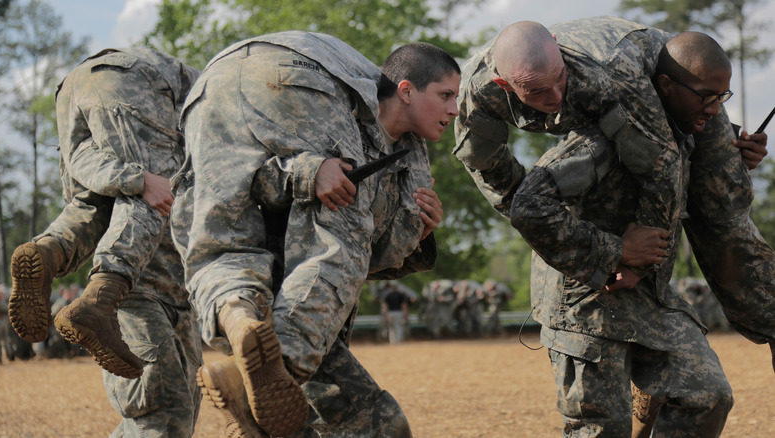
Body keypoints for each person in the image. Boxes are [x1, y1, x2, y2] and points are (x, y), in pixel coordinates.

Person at [171, 34, 455, 437]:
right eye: (446, 95)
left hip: (207, 86)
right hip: (296, 68)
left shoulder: (404, 153)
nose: (455, 109)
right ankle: (275, 367)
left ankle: (237, 317)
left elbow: (255, 185)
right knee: (340, 228)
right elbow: (349, 247)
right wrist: (312, 171)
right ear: (405, 91)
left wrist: (421, 231)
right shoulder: (352, 109)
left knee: (222, 241)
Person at [453, 16, 774, 368]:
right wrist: (564, 237)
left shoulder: (609, 74)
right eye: (537, 91)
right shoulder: (477, 91)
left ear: (560, 53)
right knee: (586, 204)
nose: (556, 96)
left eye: (560, 80)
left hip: (679, 84)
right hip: (618, 112)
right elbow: (490, 169)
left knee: (722, 214)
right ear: (504, 83)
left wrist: (641, 262)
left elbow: (661, 164)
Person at [509, 31, 735, 435]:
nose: (716, 109)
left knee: (707, 396)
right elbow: (528, 205)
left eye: (723, 97)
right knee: (602, 428)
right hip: (588, 302)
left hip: (649, 297)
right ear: (665, 86)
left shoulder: (684, 132)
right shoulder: (602, 138)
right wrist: (613, 252)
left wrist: (736, 153)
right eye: (706, 96)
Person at [13, 48, 203, 436]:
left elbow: (96, 185)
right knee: (154, 185)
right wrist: (142, 180)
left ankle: (48, 251)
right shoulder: (221, 100)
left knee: (94, 201)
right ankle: (101, 295)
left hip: (76, 83)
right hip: (133, 78)